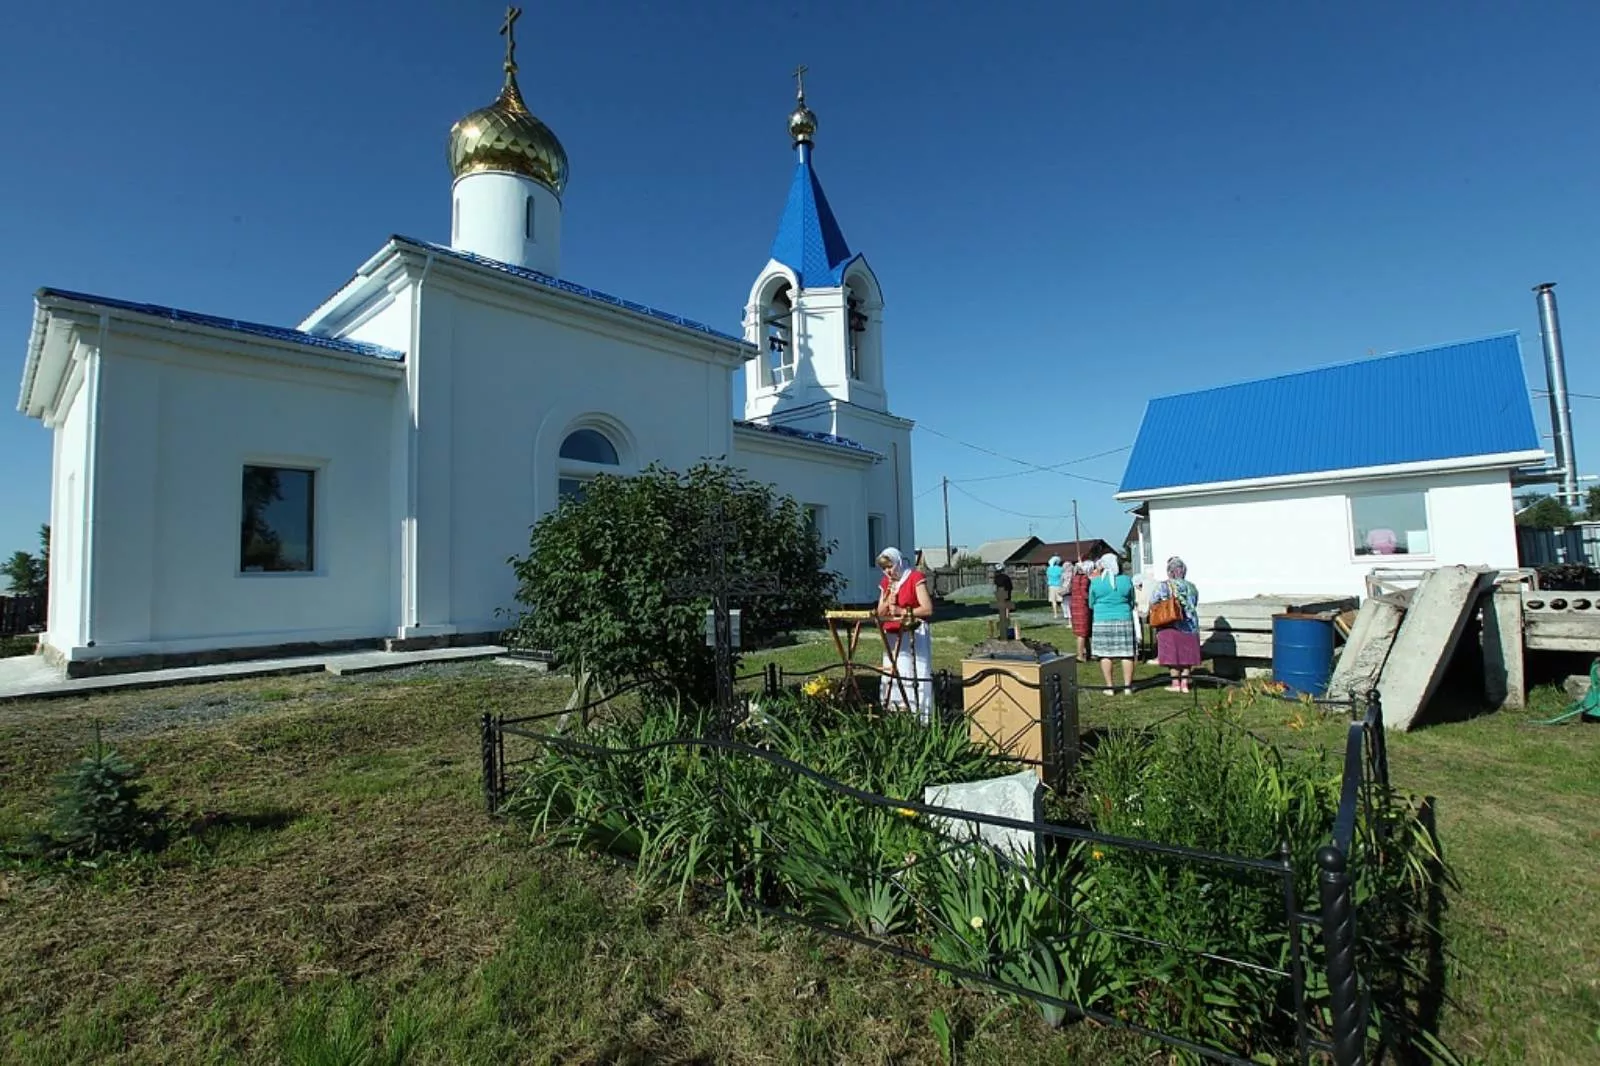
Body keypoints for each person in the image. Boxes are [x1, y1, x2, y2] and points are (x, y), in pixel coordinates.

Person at [876, 547, 935, 721]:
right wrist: (887, 598)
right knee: (894, 671)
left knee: (913, 670)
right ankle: (894, 711)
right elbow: (880, 612)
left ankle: (919, 714)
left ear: (898, 562)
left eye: (890, 566)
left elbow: (927, 609)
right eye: (884, 568)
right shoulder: (886, 582)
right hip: (893, 632)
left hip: (913, 630)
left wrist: (901, 610)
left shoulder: (915, 578)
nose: (888, 571)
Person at [1149, 556, 1202, 693]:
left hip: (1171, 624)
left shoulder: (1164, 586)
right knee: (1187, 655)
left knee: (1172, 655)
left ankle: (1175, 683)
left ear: (1170, 571)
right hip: (1190, 624)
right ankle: (1185, 683)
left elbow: (1153, 601)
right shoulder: (1192, 586)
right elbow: (1194, 603)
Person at [1088, 552, 1137, 695]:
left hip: (1102, 620)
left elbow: (1091, 603)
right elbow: (1132, 601)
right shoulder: (1127, 580)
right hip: (1124, 619)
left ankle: (1110, 687)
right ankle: (1128, 686)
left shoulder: (1096, 582)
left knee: (1105, 654)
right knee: (1126, 654)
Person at [1069, 560, 1093, 658]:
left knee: (1084, 632)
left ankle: (1088, 653)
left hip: (1074, 605)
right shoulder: (1084, 579)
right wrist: (1091, 597)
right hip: (1082, 607)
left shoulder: (1074, 578)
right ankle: (1080, 655)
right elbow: (1084, 593)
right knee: (1082, 633)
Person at [1045, 555, 1066, 619]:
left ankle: (1055, 614)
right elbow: (1063, 577)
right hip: (1059, 586)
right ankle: (1065, 613)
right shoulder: (1061, 569)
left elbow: (1048, 576)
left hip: (1051, 586)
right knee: (1062, 601)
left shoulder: (1049, 569)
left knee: (1053, 601)